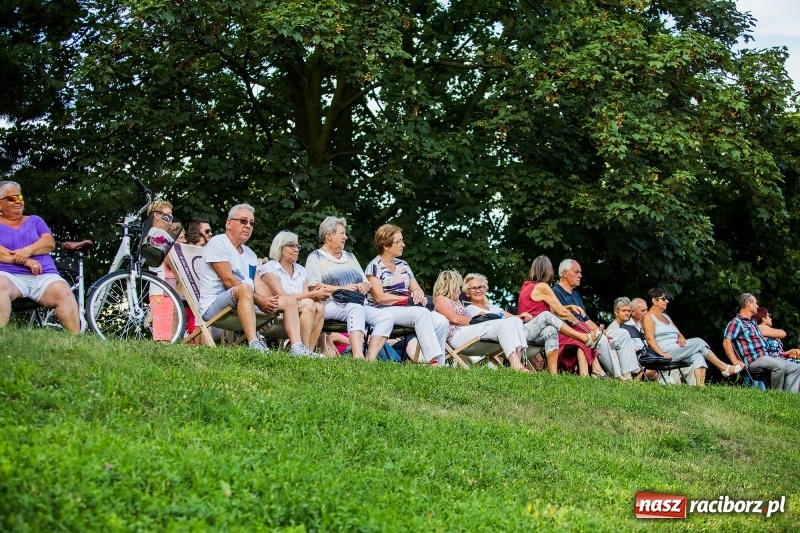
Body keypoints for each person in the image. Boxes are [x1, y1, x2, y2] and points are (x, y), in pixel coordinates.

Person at [198, 203, 315, 356]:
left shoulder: (250, 254)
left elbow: (258, 283)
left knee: (288, 300)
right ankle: (254, 343)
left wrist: (270, 301)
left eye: (251, 223)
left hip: (247, 303)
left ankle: (297, 348)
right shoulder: (218, 243)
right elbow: (228, 281)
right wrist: (260, 301)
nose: (248, 226)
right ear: (228, 223)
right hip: (214, 306)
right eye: (243, 221)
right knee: (244, 288)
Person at [305, 216, 393, 361]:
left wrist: (363, 286)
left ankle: (370, 358)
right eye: (342, 233)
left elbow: (366, 282)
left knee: (386, 317)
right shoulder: (315, 257)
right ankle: (357, 356)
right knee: (355, 308)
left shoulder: (350, 256)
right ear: (329, 235)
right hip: (330, 304)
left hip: (356, 302)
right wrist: (342, 288)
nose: (345, 237)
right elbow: (314, 286)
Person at [0, 180, 80, 332]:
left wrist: (28, 250)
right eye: (12, 199)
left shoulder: (35, 220)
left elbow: (49, 242)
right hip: (9, 275)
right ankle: (1, 337)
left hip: (44, 275)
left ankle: (75, 342)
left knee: (63, 291)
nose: (18, 202)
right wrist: (26, 261)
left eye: (20, 197)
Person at [365, 224, 447, 366]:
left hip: (407, 306)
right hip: (384, 309)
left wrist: (418, 293)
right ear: (386, 245)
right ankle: (432, 362)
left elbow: (416, 288)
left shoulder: (403, 265)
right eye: (399, 241)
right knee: (421, 313)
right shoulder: (374, 266)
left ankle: (440, 363)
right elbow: (379, 297)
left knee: (441, 320)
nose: (403, 244)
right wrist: (406, 299)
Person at [552, 259, 639, 380]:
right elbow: (559, 318)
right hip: (572, 333)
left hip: (585, 329)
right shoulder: (555, 292)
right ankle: (617, 377)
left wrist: (600, 330)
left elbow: (587, 321)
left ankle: (628, 376)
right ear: (565, 273)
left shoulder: (575, 295)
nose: (580, 275)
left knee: (623, 334)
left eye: (580, 272)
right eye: (576, 272)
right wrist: (596, 333)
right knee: (600, 338)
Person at [517, 256, 604, 376]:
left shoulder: (526, 285)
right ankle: (584, 338)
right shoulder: (542, 286)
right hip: (526, 331)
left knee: (551, 329)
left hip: (534, 331)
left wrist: (569, 307)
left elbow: (553, 310)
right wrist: (580, 325)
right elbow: (560, 312)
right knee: (547, 316)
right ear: (548, 271)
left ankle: (553, 375)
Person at [642, 287, 741, 385]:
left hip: (676, 348)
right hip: (664, 350)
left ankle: (699, 388)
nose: (667, 301)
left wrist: (681, 338)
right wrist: (662, 353)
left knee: (697, 355)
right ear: (654, 301)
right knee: (698, 342)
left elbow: (679, 333)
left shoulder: (666, 316)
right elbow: (650, 339)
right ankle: (723, 367)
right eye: (663, 299)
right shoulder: (648, 316)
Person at [433, 269, 528, 372]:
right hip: (458, 335)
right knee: (502, 324)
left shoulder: (456, 302)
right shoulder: (440, 298)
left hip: (467, 331)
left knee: (514, 320)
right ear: (451, 285)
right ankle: (516, 366)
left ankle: (518, 363)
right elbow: (454, 318)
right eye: (458, 287)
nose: (460, 291)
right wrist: (478, 320)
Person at [260, 230, 329, 353]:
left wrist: (319, 294)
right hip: (275, 313)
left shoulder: (301, 270)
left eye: (297, 246)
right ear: (279, 247)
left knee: (319, 306)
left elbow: (304, 296)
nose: (296, 249)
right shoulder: (269, 268)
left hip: (298, 312)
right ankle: (301, 350)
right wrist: (312, 294)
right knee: (309, 303)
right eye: (291, 246)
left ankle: (308, 350)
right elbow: (283, 297)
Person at [723, 293, 800, 393]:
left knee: (796, 368)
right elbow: (726, 341)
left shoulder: (753, 324)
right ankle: (777, 396)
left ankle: (788, 398)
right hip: (753, 360)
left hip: (767, 358)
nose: (757, 306)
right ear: (748, 303)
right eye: (756, 303)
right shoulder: (737, 322)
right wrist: (735, 361)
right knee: (779, 366)